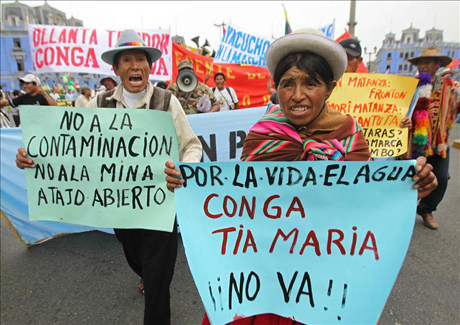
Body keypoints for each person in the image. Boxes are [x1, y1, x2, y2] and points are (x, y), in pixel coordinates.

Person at [165, 28, 437, 325]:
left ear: (330, 88)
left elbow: (368, 204)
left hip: (323, 282)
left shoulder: (350, 135)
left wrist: (409, 190)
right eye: (288, 83)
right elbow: (236, 201)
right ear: (276, 87)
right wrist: (189, 185)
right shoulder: (261, 134)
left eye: (311, 83)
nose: (297, 95)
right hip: (262, 277)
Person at [16, 29, 202, 325]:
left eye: (140, 59)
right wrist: (33, 156)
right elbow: (67, 145)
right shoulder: (99, 105)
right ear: (116, 69)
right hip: (120, 208)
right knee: (134, 255)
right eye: (126, 60)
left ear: (149, 66)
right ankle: (145, 273)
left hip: (161, 205)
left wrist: (184, 167)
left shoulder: (167, 101)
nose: (134, 66)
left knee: (158, 278)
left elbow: (191, 146)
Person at [407, 47, 457, 229]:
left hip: (439, 142)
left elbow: (454, 109)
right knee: (410, 179)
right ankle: (403, 211)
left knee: (441, 178)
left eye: (427, 62)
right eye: (420, 62)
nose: (423, 66)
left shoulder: (449, 86)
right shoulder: (409, 85)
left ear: (438, 65)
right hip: (413, 142)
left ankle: (427, 210)